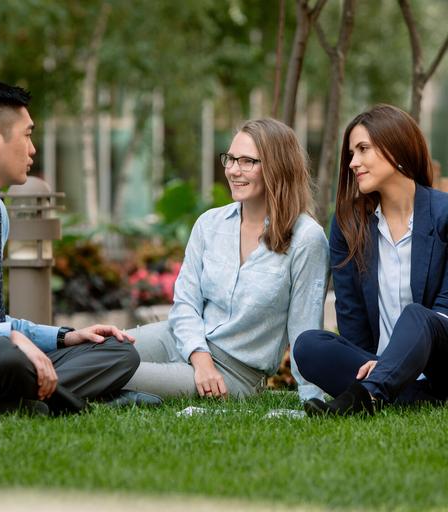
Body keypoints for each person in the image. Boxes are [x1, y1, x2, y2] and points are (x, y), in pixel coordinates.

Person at [0, 79, 146, 416]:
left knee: (117, 351)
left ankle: (21, 401)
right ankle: (71, 401)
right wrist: (8, 339)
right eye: (27, 134)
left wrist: (67, 337)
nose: (33, 149)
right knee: (3, 355)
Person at [123, 118, 329, 400]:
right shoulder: (210, 224)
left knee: (114, 372)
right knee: (97, 351)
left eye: (247, 161)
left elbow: (305, 329)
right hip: (178, 339)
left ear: (278, 167)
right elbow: (185, 302)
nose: (233, 170)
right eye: (230, 159)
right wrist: (200, 357)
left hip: (232, 373)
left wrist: (311, 399)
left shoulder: (306, 238)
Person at [294, 104, 448, 417]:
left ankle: (366, 396)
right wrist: (380, 365)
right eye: (351, 153)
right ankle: (394, 394)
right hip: (377, 368)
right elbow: (351, 318)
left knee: (419, 316)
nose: (353, 162)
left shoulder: (444, 213)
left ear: (395, 147)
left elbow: (444, 313)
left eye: (363, 149)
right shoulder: (349, 224)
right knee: (308, 346)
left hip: (441, 362)